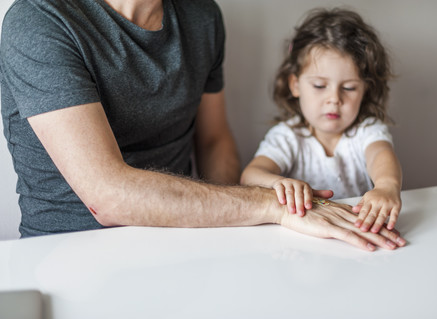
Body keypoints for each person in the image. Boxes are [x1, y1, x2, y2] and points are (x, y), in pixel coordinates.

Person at [0, 0, 405, 251]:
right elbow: (106, 196)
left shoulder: (202, 16)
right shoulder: (38, 21)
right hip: (68, 252)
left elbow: (213, 142)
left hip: (185, 235)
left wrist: (230, 231)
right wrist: (271, 207)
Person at [241, 8, 403, 234]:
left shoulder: (367, 130)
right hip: (304, 237)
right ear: (295, 85)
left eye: (349, 87)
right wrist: (277, 183)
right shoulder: (287, 135)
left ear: (365, 90)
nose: (334, 99)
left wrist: (387, 186)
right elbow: (250, 176)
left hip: (359, 232)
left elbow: (380, 155)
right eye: (319, 86)